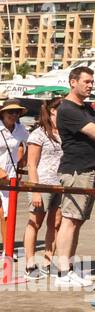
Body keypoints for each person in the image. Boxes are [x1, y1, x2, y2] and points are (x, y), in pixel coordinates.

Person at [53, 66, 95, 287]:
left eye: (92, 81)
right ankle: (63, 272)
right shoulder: (68, 109)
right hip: (76, 169)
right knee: (69, 219)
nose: (90, 85)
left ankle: (69, 269)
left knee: (77, 221)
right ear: (73, 82)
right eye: (86, 81)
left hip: (89, 169)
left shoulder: (87, 108)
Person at [23, 98, 63, 279]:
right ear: (52, 110)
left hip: (61, 185)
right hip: (43, 182)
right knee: (35, 223)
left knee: (55, 224)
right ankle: (30, 263)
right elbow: (31, 165)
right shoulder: (38, 134)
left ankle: (48, 262)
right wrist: (36, 190)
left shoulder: (63, 132)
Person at [1, 100, 30, 246]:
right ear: (3, 113)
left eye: (16, 112)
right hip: (1, 173)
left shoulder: (20, 129)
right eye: (10, 111)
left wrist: (23, 159)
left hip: (10, 175)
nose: (14, 115)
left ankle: (8, 248)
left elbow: (31, 143)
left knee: (7, 211)